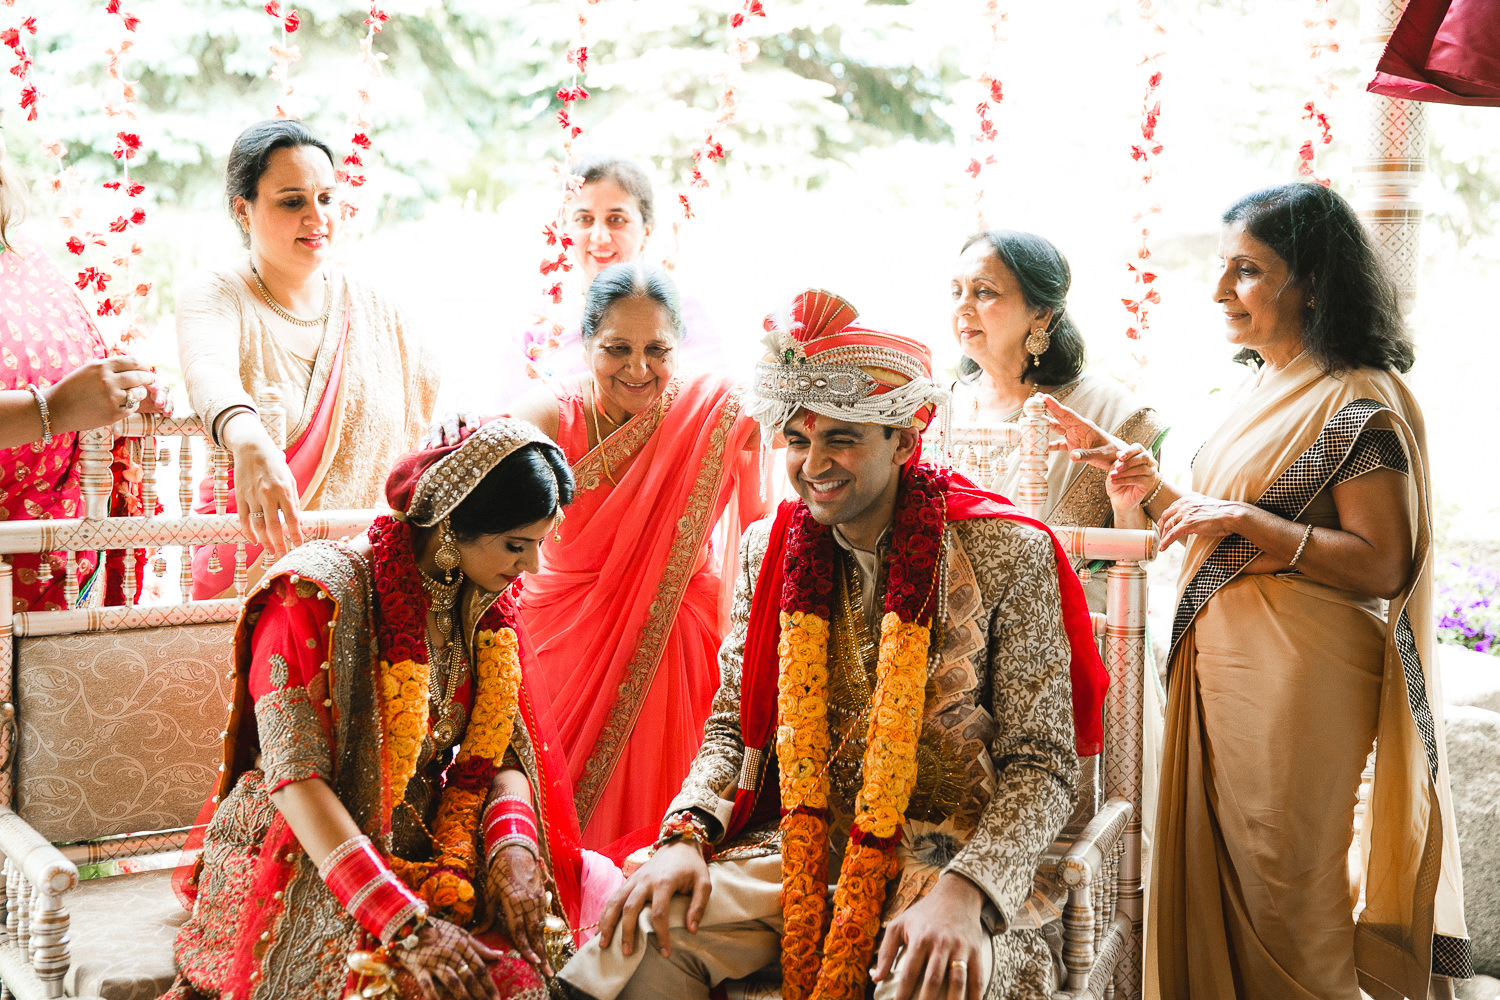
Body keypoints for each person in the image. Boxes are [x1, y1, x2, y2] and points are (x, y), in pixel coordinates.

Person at [558, 289, 1111, 1000]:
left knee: (928, 980)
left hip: (950, 854)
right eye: (797, 438)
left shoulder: (1006, 550)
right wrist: (684, 836)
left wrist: (969, 892)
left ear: (904, 441)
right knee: (636, 945)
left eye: (841, 438)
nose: (813, 462)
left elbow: (1043, 764)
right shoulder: (772, 547)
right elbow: (732, 727)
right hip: (796, 844)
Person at [1047, 182, 1470, 999]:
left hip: (1301, 678)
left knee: (1288, 890)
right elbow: (1231, 528)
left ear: (1311, 280)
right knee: (1231, 876)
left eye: (1246, 271)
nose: (1219, 292)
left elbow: (1384, 563)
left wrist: (1242, 514)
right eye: (1222, 269)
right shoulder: (1260, 386)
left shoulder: (1358, 396)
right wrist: (1143, 479)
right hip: (1224, 666)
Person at [164, 418, 623, 1000]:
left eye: (539, 544)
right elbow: (293, 781)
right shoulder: (313, 596)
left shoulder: (481, 602)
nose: (531, 567)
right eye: (516, 544)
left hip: (424, 844)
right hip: (304, 851)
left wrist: (512, 847)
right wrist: (403, 922)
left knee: (527, 969)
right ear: (454, 526)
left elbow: (501, 748)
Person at [505, 261, 766, 852]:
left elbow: (794, 434)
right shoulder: (546, 416)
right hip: (562, 642)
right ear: (586, 342)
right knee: (550, 826)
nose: (639, 367)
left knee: (671, 812)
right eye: (617, 348)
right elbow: (486, 512)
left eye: (657, 349)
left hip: (676, 640)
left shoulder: (711, 411)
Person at [177, 118, 438, 599]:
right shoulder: (217, 292)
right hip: (246, 566)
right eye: (292, 201)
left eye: (326, 198)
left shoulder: (377, 310)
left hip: (363, 572)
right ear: (243, 209)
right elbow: (206, 371)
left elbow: (427, 419)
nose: (316, 218)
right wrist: (249, 440)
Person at [940, 229, 1166, 608]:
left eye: (983, 292)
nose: (963, 307)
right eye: (956, 292)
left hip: (1070, 638)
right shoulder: (945, 405)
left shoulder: (1110, 411)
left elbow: (1135, 555)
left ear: (1041, 313)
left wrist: (1127, 503)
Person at [0, 125, 165, 611]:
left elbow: (59, 359)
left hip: (67, 558)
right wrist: (55, 408)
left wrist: (124, 391)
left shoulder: (20, 252)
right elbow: (56, 398)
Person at [491, 155, 728, 408]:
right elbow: (508, 417)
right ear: (566, 229)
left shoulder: (685, 311)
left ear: (645, 231)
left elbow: (716, 408)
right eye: (584, 219)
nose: (600, 236)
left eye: (616, 219)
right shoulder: (538, 319)